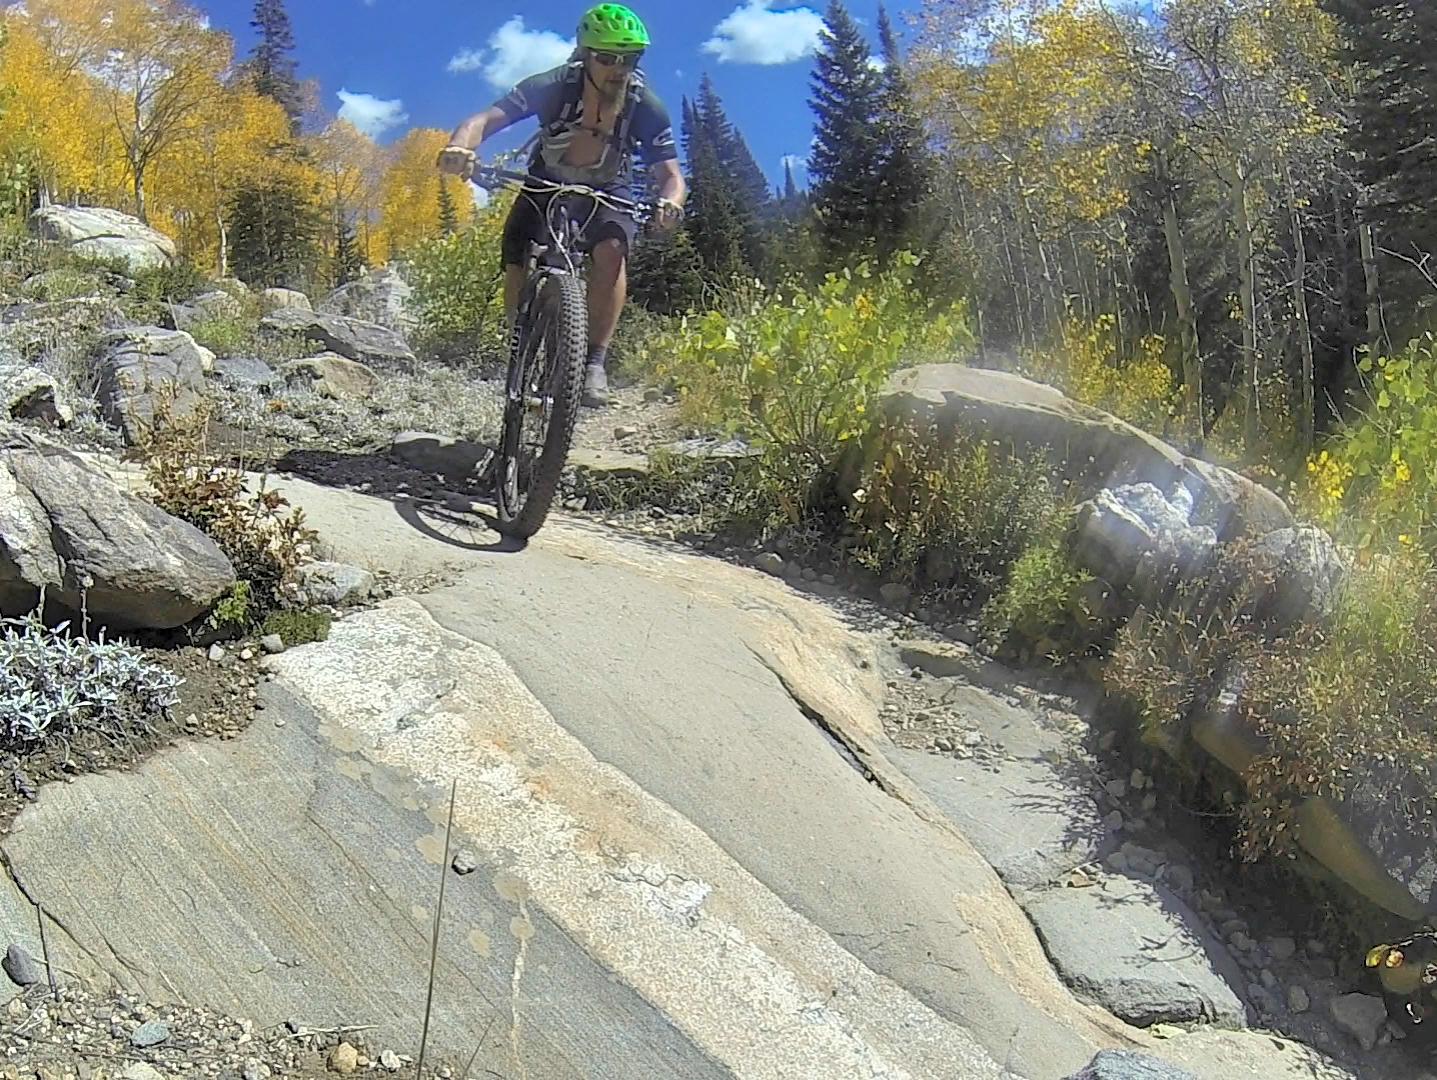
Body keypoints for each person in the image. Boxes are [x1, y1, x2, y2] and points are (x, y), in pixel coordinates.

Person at [437, 4, 686, 407]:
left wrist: (670, 203)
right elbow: (483, 120)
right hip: (545, 181)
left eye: (629, 58)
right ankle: (520, 347)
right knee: (517, 257)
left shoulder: (644, 105)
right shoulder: (552, 85)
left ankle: (592, 364)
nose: (617, 68)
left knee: (612, 251)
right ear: (585, 55)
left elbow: (672, 176)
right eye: (607, 58)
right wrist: (459, 148)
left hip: (609, 187)